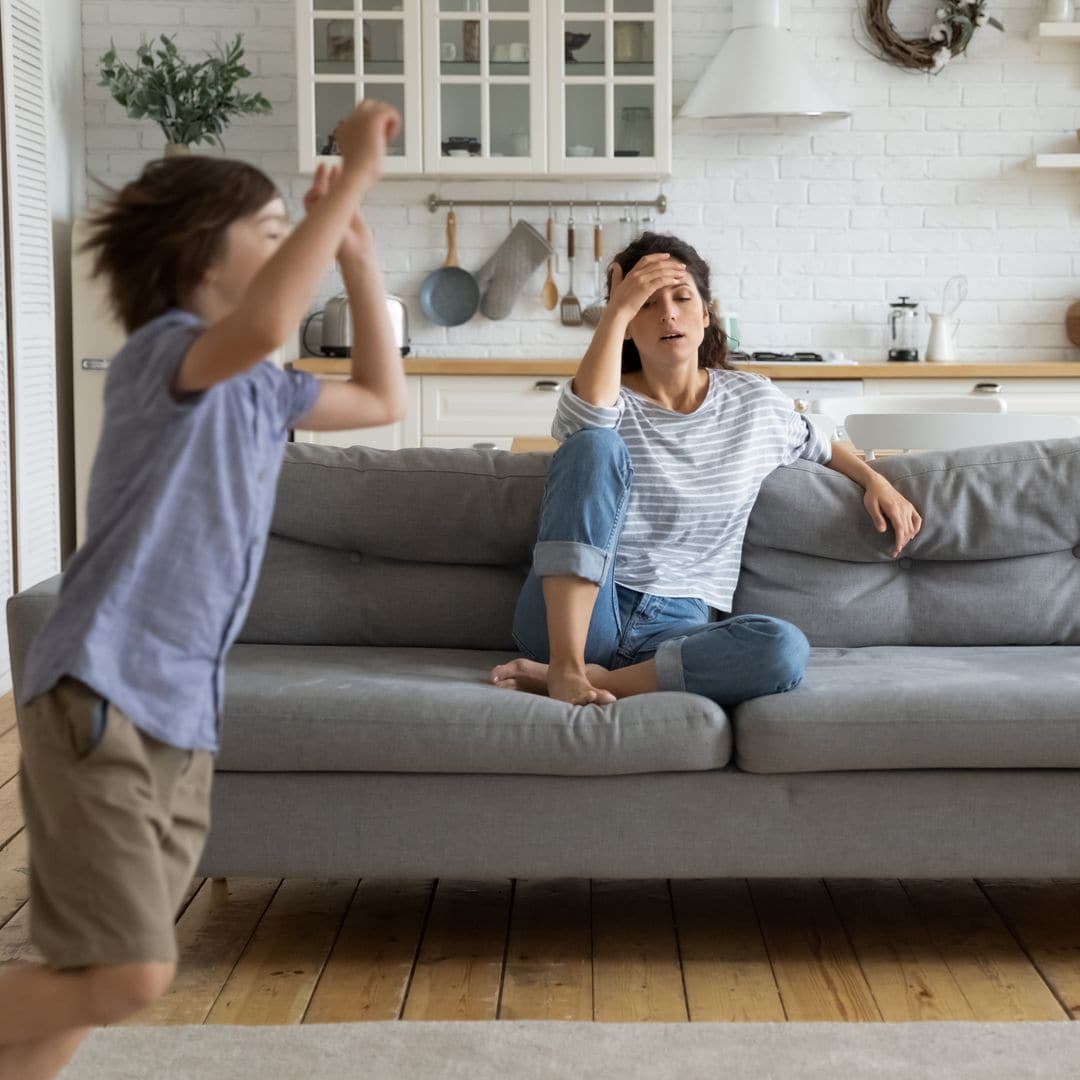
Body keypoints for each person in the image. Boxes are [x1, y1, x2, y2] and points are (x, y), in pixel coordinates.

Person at [0, 99, 404, 1079]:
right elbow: (265, 320)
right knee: (134, 973)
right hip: (102, 686)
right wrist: (349, 173)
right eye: (269, 229)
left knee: (90, 973)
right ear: (197, 254)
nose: (286, 244)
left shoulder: (265, 390)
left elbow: (383, 397)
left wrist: (353, 250)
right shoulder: (159, 358)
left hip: (185, 713)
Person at [490, 232, 922, 707]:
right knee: (594, 445)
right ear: (628, 323)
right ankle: (568, 666)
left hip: (677, 627)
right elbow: (589, 422)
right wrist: (615, 310)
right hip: (581, 610)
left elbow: (819, 441)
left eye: (681, 298)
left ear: (705, 313)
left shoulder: (751, 401)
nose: (669, 314)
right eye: (647, 303)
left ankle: (585, 680)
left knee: (783, 648)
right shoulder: (607, 398)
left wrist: (874, 479)